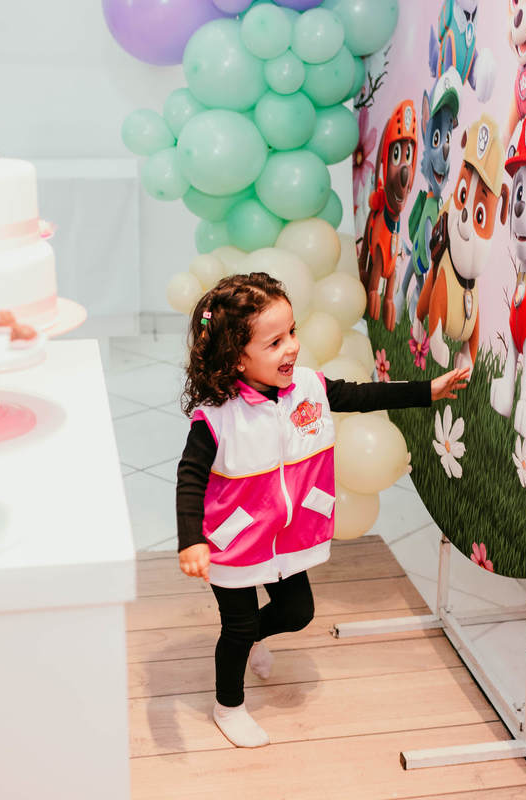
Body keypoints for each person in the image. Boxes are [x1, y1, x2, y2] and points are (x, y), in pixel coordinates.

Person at [175, 272, 469, 748]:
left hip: (285, 533)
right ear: (235, 355)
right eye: (274, 342)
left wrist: (425, 391)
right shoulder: (217, 415)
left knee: (297, 611)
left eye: (292, 333)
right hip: (233, 540)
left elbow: (360, 395)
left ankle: (251, 640)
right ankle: (228, 705)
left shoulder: (308, 388)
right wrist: (191, 539)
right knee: (239, 623)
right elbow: (190, 478)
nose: (291, 347)